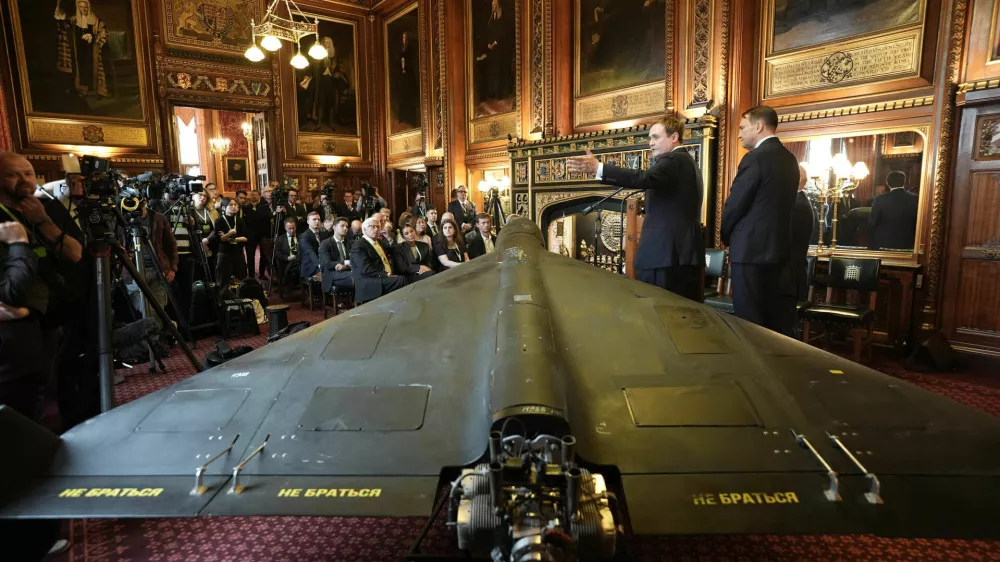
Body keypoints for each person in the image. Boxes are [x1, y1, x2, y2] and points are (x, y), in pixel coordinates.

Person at [567, 113, 705, 301]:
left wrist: (598, 169)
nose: (650, 143)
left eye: (656, 137)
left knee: (659, 315)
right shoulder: (686, 162)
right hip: (675, 254)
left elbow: (643, 178)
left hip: (666, 256)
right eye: (649, 138)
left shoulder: (674, 161)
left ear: (674, 137)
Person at [721, 105, 800, 332]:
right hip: (778, 252)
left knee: (749, 321)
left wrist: (725, 237)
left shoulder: (754, 158)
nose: (739, 133)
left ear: (759, 126)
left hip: (749, 252)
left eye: (743, 127)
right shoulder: (790, 160)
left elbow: (735, 205)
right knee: (772, 320)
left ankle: (751, 367)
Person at [779, 165, 817, 337]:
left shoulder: (796, 205)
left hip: (788, 275)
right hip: (789, 275)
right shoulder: (799, 202)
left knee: (785, 329)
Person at [350, 216, 406, 303]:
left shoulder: (379, 242)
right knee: (401, 280)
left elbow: (393, 250)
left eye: (378, 227)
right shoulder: (359, 245)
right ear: (364, 230)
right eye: (372, 226)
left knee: (407, 276)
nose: (376, 229)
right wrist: (386, 274)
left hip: (381, 277)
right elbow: (366, 268)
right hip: (369, 281)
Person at [868, 170, 919, 251]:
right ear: (904, 182)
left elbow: (872, 222)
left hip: (883, 244)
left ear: (887, 183)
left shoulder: (880, 199)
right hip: (908, 244)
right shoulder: (916, 198)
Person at [213, 197, 248, 292]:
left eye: (235, 205)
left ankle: (243, 301)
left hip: (239, 253)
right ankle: (221, 302)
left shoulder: (240, 220)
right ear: (223, 208)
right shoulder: (219, 221)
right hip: (224, 254)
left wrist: (229, 238)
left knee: (242, 279)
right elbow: (219, 239)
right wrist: (230, 233)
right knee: (223, 281)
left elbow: (245, 238)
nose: (234, 207)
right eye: (231, 205)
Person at [319, 217, 354, 294]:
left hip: (348, 271)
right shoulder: (325, 243)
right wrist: (345, 262)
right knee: (357, 277)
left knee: (362, 274)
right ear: (334, 228)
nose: (345, 228)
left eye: (346, 226)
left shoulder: (350, 243)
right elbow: (328, 264)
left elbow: (355, 261)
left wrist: (346, 266)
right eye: (342, 226)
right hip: (333, 274)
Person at [299, 211, 329, 280]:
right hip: (310, 266)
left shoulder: (324, 234)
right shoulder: (304, 236)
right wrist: (320, 266)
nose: (317, 221)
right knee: (329, 273)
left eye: (318, 219)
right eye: (314, 219)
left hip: (324, 262)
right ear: (308, 221)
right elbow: (310, 253)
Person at [272, 217, 300, 289]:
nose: (292, 230)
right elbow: (277, 254)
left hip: (300, 260)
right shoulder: (280, 239)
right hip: (287, 263)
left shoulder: (301, 237)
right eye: (289, 228)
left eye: (293, 228)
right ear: (285, 228)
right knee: (295, 268)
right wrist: (287, 258)